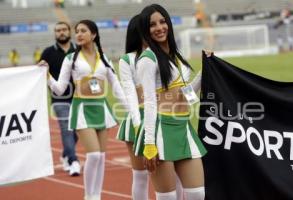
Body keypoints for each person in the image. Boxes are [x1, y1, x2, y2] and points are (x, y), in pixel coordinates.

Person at [41, 19, 128, 200]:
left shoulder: (104, 59)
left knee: (102, 157)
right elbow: (59, 88)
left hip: (101, 108)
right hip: (81, 109)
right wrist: (47, 74)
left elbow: (117, 88)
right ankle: (89, 196)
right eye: (77, 31)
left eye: (83, 31)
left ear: (94, 35)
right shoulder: (70, 59)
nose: (78, 34)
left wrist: (132, 112)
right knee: (94, 155)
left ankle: (97, 195)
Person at [134, 4, 206, 200]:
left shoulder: (176, 55)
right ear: (145, 30)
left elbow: (185, 93)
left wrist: (205, 70)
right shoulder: (147, 60)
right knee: (168, 197)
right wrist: (149, 144)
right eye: (152, 25)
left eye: (162, 21)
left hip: (183, 127)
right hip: (160, 130)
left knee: (198, 194)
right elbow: (149, 102)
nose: (159, 27)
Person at [40, 21, 80, 176]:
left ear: (69, 31)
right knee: (66, 130)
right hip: (59, 99)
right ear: (55, 33)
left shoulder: (79, 50)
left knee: (77, 131)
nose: (61, 32)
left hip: (79, 98)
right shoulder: (48, 52)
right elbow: (40, 73)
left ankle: (65, 154)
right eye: (58, 30)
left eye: (64, 29)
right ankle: (73, 160)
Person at [116, 14, 149, 200]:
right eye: (147, 26)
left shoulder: (163, 55)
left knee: (175, 174)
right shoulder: (127, 60)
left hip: (167, 118)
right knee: (141, 175)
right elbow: (130, 95)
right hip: (138, 120)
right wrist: (139, 127)